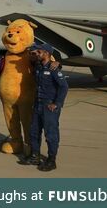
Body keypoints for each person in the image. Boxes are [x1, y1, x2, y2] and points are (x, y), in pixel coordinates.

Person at [26, 43, 68, 171]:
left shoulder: (53, 69)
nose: (37, 54)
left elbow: (64, 87)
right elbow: (30, 53)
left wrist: (57, 103)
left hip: (49, 106)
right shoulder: (38, 66)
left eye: (39, 52)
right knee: (34, 131)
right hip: (38, 104)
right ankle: (35, 156)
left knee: (50, 134)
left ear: (47, 54)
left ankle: (51, 160)